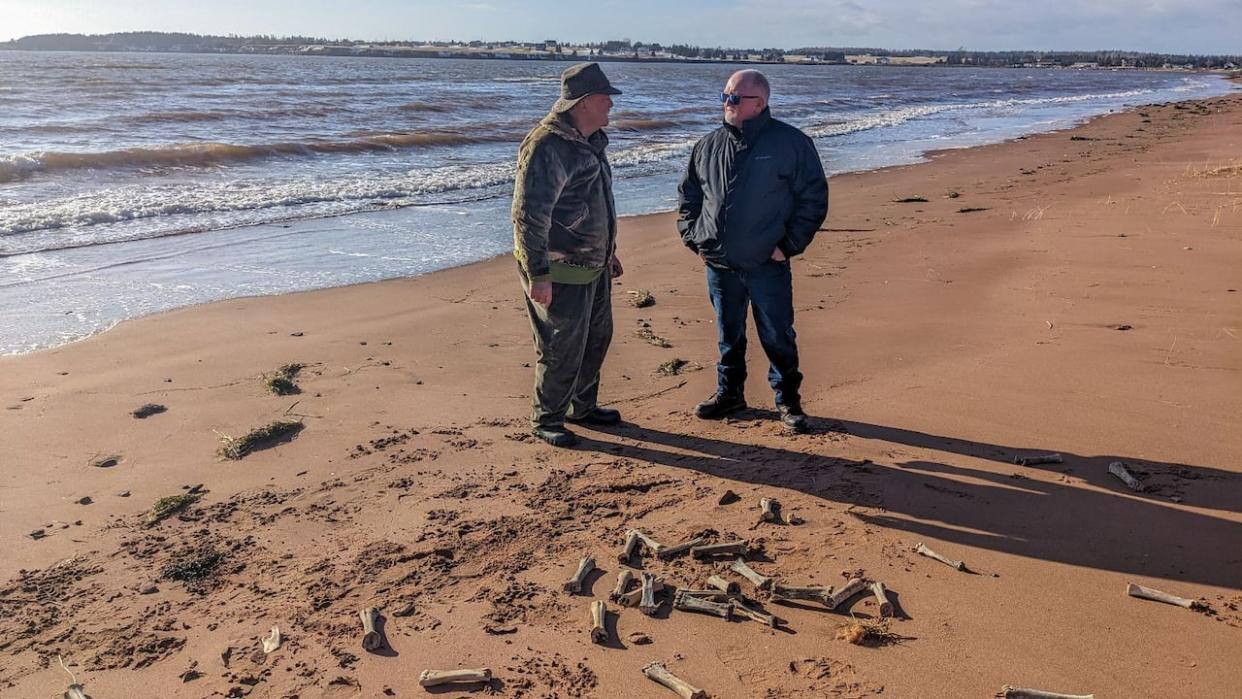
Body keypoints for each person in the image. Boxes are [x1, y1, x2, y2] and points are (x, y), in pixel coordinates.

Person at [676, 69, 829, 433]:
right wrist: (695, 238)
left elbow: (814, 198)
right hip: (719, 263)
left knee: (777, 334)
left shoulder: (791, 144)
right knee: (728, 333)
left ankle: (788, 401)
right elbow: (689, 196)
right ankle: (730, 394)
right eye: (724, 96)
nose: (726, 103)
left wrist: (787, 246)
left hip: (766, 263)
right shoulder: (708, 145)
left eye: (734, 97)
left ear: (759, 103)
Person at [512, 62, 625, 447]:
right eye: (605, 97)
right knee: (562, 346)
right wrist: (538, 273)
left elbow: (596, 204)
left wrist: (608, 252)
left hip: (593, 263)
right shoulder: (547, 145)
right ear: (584, 103)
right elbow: (529, 215)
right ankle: (547, 418)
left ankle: (584, 405)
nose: (611, 103)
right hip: (559, 267)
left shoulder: (590, 140)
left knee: (597, 338)